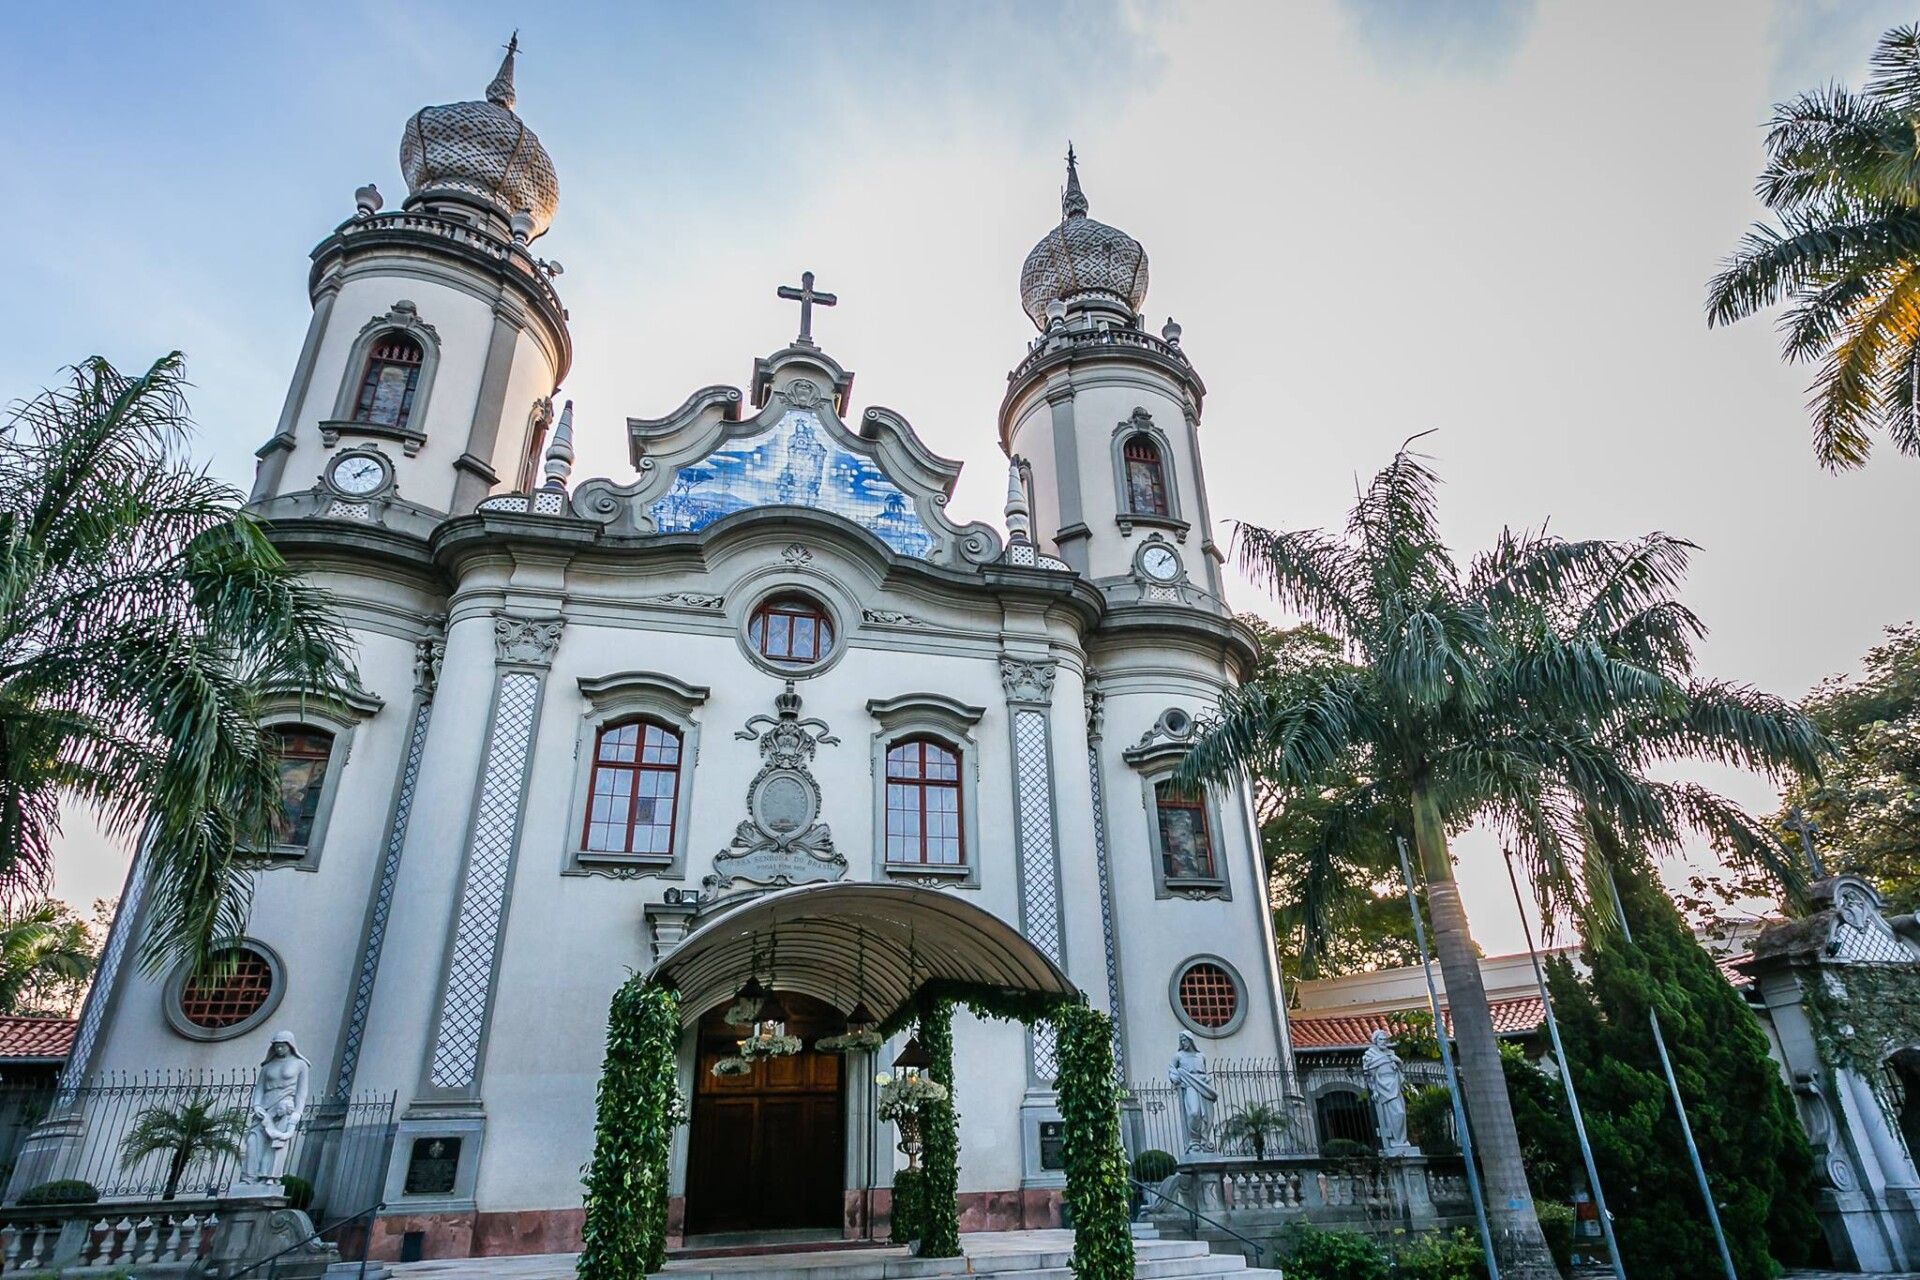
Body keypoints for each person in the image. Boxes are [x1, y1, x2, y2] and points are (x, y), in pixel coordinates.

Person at [240, 1030, 312, 1185]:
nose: (279, 1049)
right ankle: (249, 1178)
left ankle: (270, 1178)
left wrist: (298, 1113)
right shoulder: (268, 1066)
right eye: (277, 1046)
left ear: (290, 1046)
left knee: (277, 1144)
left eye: (282, 1046)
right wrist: (257, 1105)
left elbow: (301, 1092)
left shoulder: (301, 1065)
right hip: (265, 1107)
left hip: (284, 1107)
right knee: (253, 1142)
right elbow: (259, 1088)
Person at [1361, 1029, 1414, 1153]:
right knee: (1394, 1114)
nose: (1383, 1042)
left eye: (1385, 1040)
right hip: (1382, 1087)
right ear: (1375, 1041)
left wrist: (1397, 1062)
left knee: (1401, 1113)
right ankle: (1394, 1140)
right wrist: (1374, 1090)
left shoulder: (1391, 1054)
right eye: (1381, 1039)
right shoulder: (1370, 1055)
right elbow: (1370, 1076)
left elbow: (1400, 1068)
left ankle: (1401, 1140)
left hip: (1394, 1084)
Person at [1168, 1034, 1217, 1152]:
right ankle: (1194, 1140)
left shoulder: (1201, 1056)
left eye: (1184, 1040)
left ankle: (1204, 1141)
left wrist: (1205, 1078)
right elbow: (1172, 1069)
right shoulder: (1178, 1056)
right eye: (1181, 1040)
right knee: (1194, 1112)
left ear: (1190, 1041)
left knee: (1206, 1116)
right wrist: (1174, 1077)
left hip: (1203, 1085)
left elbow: (1204, 1071)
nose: (1183, 1042)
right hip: (1189, 1084)